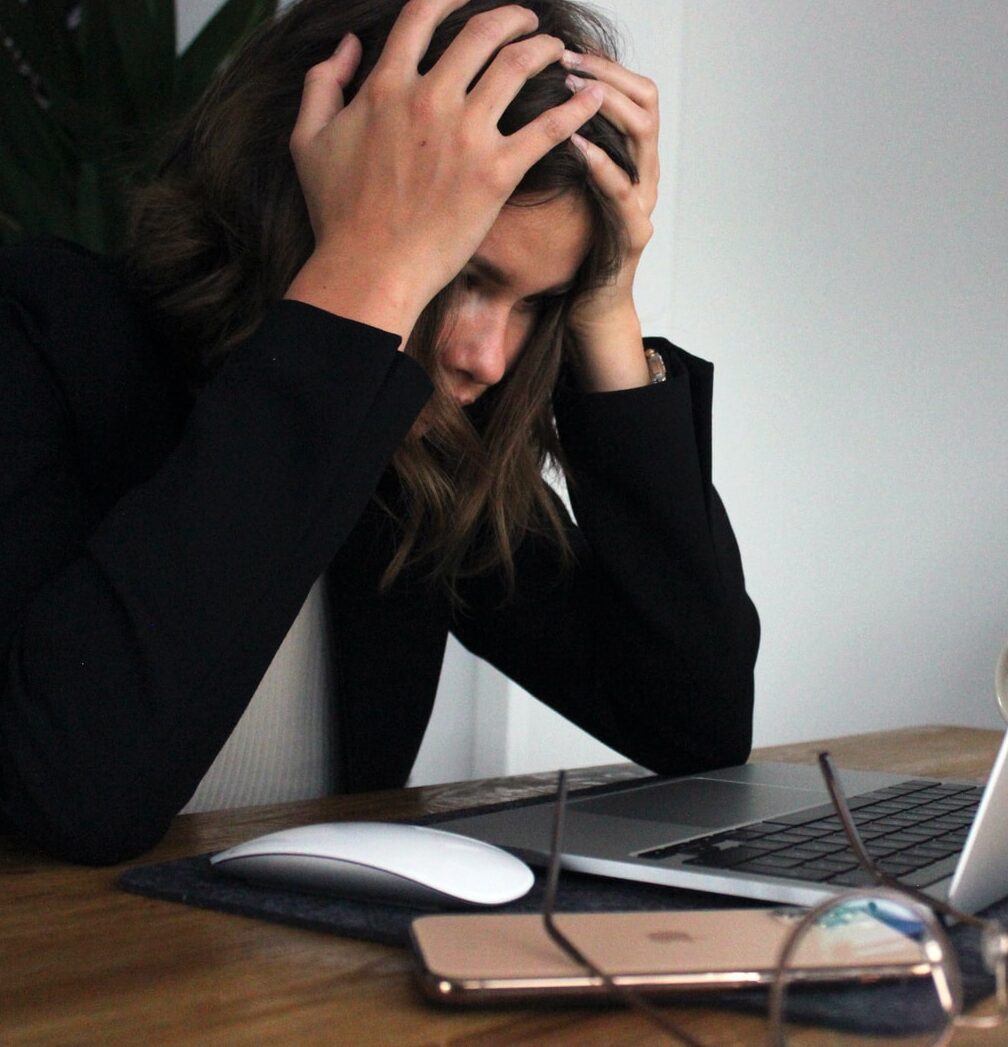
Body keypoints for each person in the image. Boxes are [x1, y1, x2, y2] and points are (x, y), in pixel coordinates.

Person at [0, 0, 758, 865]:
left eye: (538, 303)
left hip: (296, 953)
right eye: (462, 272)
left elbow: (694, 723)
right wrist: (366, 272)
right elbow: (74, 795)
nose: (488, 359)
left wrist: (606, 306)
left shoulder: (415, 451)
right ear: (305, 188)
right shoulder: (43, 333)